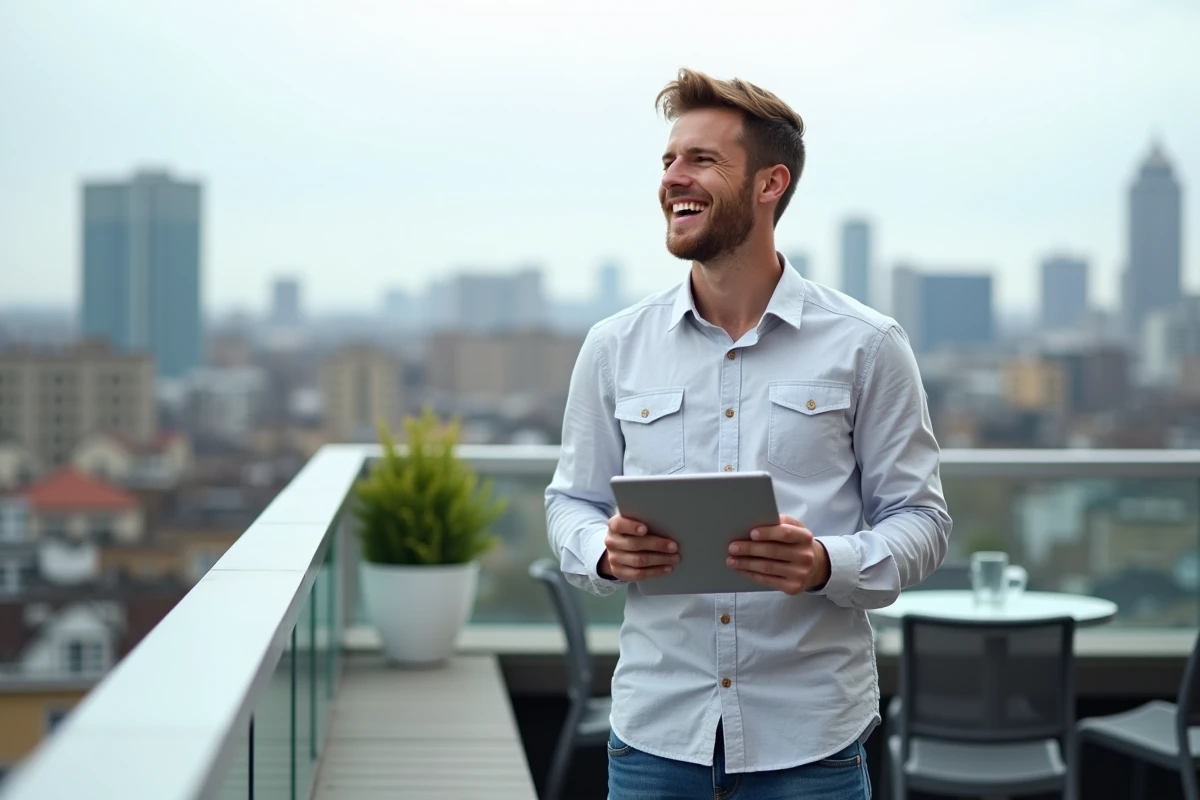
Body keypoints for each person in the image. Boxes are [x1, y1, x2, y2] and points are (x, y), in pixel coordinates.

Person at [544, 68, 951, 800]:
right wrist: (602, 551)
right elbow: (568, 501)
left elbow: (922, 522)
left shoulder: (867, 345)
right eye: (669, 160)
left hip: (811, 743)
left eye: (701, 160)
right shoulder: (614, 346)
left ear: (771, 184)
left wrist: (828, 562)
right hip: (657, 738)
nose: (674, 178)